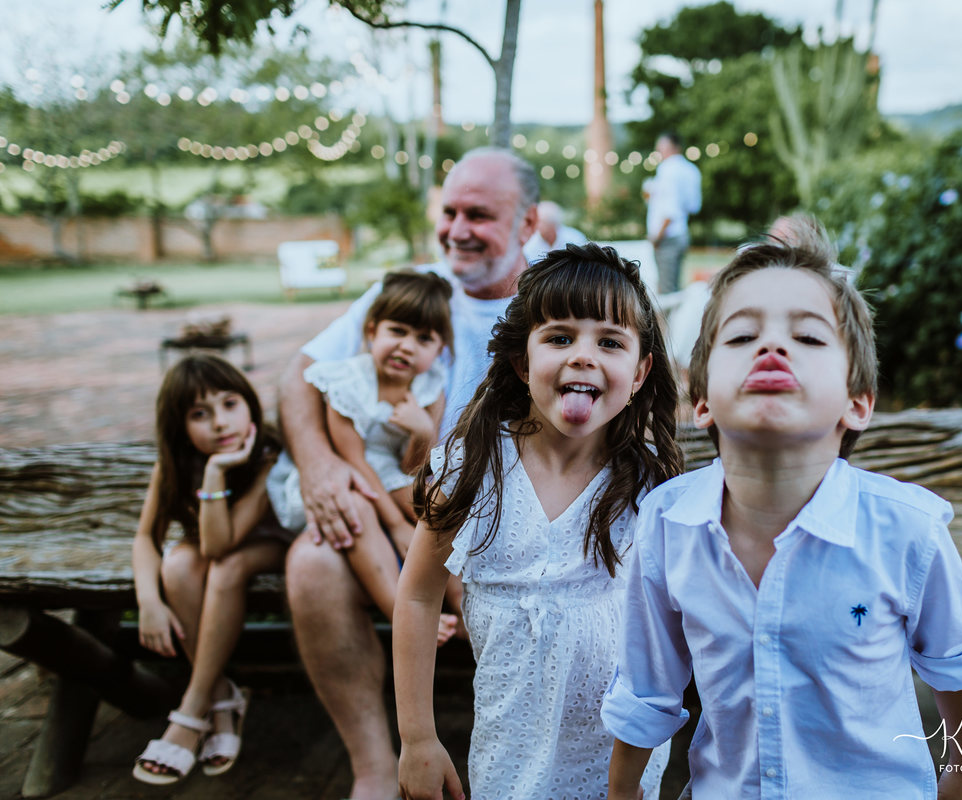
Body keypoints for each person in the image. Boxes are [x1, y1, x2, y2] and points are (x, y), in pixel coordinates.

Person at [603, 221, 962, 800]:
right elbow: (646, 686)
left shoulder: (907, 531)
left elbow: (956, 667)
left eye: (810, 338)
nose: (772, 347)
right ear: (704, 400)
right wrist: (621, 793)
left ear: (858, 403)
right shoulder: (667, 524)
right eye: (741, 337)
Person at [278, 147, 538, 800]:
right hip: (398, 496)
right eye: (448, 211)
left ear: (527, 224)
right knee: (311, 563)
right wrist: (319, 468)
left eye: (478, 214)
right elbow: (299, 377)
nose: (456, 229)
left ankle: (522, 764)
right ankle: (373, 766)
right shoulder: (411, 293)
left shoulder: (553, 299)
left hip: (500, 511)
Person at [392, 244, 683, 800]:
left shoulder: (652, 492)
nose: (583, 356)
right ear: (523, 363)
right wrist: (418, 738)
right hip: (509, 757)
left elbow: (671, 633)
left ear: (641, 371)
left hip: (617, 767)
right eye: (559, 337)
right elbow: (418, 597)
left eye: (611, 342)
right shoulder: (472, 468)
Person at [268, 270, 458, 640]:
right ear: (371, 332)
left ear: (439, 351)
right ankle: (401, 611)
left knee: (438, 509)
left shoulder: (430, 388)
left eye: (423, 339)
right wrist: (395, 525)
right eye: (397, 331)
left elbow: (413, 467)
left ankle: (461, 601)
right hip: (352, 475)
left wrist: (422, 431)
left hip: (391, 474)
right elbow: (353, 460)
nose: (407, 346)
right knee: (358, 507)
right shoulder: (347, 383)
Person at [131, 354, 291, 785]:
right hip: (223, 548)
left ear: (249, 405)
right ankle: (222, 700)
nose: (220, 423)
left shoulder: (268, 456)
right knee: (179, 563)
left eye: (229, 404)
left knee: (223, 566)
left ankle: (192, 708)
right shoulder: (174, 464)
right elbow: (147, 537)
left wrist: (218, 472)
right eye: (200, 414)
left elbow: (221, 545)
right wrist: (148, 600)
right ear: (180, 427)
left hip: (277, 547)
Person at [645, 131, 701, 294]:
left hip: (667, 237)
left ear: (674, 148)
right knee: (675, 288)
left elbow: (670, 210)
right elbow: (694, 206)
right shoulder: (691, 170)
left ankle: (669, 321)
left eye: (661, 149)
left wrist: (657, 237)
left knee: (666, 292)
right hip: (681, 233)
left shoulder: (668, 169)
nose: (659, 153)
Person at [522, 200, 587, 264]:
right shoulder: (530, 243)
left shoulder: (575, 239)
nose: (536, 225)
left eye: (540, 222)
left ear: (552, 224)